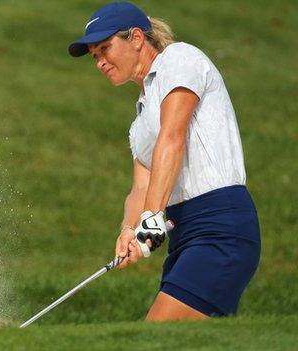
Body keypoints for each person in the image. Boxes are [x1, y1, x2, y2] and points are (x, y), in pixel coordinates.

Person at [68, 2, 260, 321]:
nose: (100, 61)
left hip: (221, 225)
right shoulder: (141, 117)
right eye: (94, 56)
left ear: (137, 39)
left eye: (105, 48)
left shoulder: (180, 59)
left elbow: (174, 136)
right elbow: (141, 185)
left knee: (155, 334)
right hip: (184, 235)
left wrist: (153, 216)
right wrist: (129, 229)